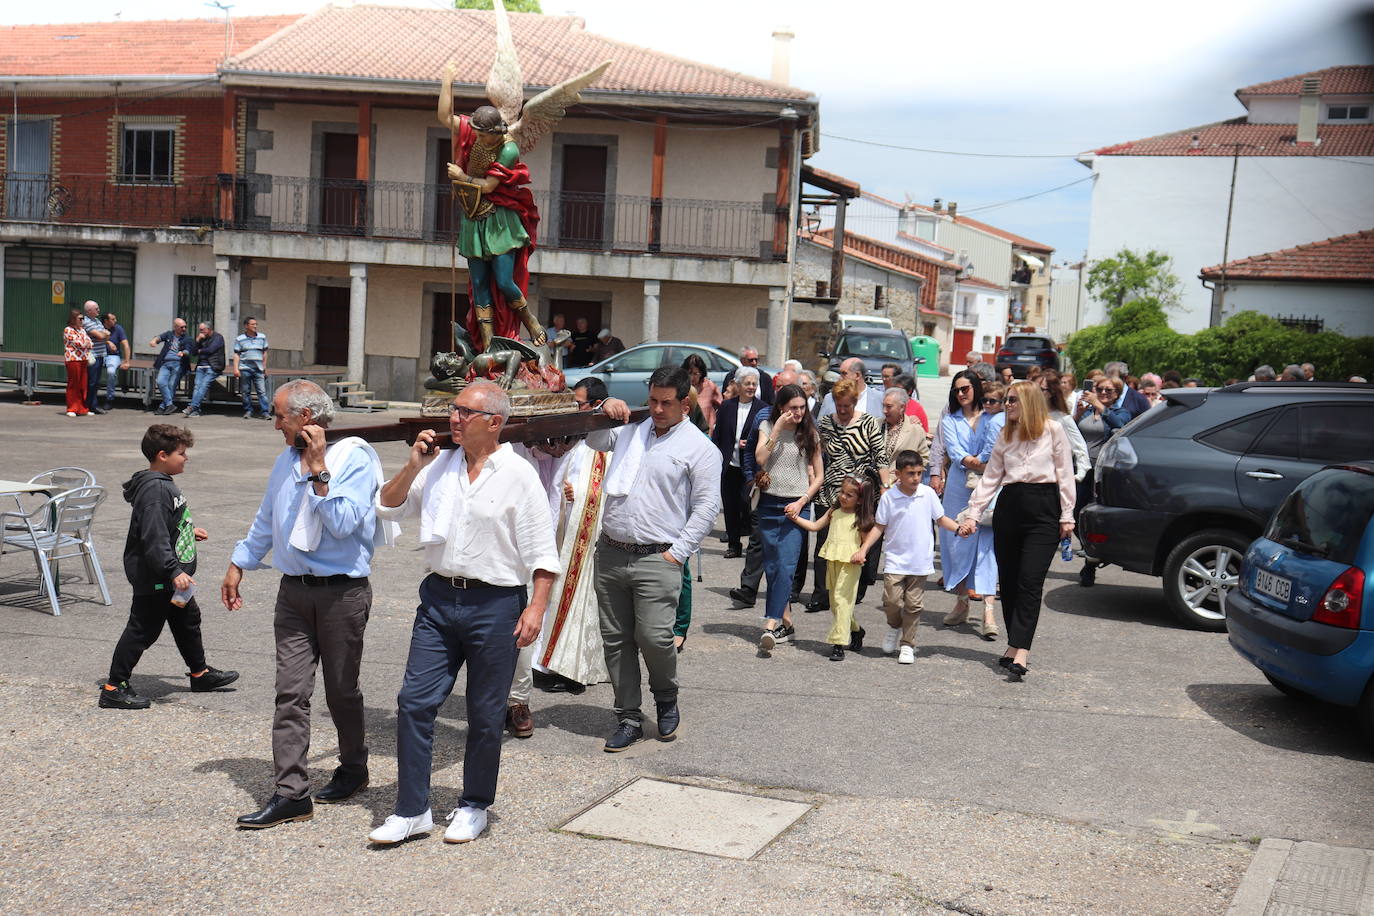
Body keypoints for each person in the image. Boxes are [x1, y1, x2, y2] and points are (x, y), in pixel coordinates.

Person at [366, 380, 559, 846]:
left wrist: (536, 608)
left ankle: (474, 804)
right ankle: (412, 809)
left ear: (494, 423)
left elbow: (542, 553)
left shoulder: (519, 473)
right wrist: (414, 465)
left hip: (495, 604)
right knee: (414, 702)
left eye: (465, 413)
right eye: (453, 410)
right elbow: (387, 506)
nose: (454, 418)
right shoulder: (439, 466)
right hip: (438, 599)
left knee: (486, 712)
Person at [223, 380, 390, 829]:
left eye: (280, 416)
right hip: (293, 592)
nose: (274, 423)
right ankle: (291, 793)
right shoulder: (283, 460)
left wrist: (318, 467)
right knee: (290, 693)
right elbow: (269, 516)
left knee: (341, 690)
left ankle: (354, 767)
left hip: (342, 594)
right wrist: (241, 560)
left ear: (307, 418)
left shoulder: (352, 458)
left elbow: (342, 523)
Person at [587, 367, 722, 752]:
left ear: (685, 403)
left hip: (657, 558)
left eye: (666, 403)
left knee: (655, 637)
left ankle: (665, 696)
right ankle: (628, 717)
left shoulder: (700, 448)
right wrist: (604, 407)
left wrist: (676, 555)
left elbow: (707, 508)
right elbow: (594, 439)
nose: (658, 409)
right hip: (612, 551)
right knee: (615, 640)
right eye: (653, 401)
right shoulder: (631, 430)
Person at [99, 425, 239, 709]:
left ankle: (200, 675)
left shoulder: (162, 484)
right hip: (157, 576)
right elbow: (152, 536)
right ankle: (114, 687)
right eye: (181, 453)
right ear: (162, 455)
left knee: (187, 620)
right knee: (143, 629)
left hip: (169, 575)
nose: (186, 458)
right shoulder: (155, 490)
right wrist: (173, 570)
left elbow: (165, 526)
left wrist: (186, 530)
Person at [959, 381, 1074, 680]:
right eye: (1006, 400)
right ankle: (1013, 644)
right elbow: (991, 477)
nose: (1006, 404)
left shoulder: (1053, 430)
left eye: (1012, 400)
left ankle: (1022, 650)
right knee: (1008, 581)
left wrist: (1067, 515)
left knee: (1029, 580)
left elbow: (1065, 473)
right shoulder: (1005, 434)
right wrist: (974, 513)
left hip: (1044, 508)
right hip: (1010, 507)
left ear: (1029, 402)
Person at [438, 65, 544, 349]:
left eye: (483, 135)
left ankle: (530, 321)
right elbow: (444, 116)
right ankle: (486, 347)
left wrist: (462, 177)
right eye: (476, 133)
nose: (477, 138)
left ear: (495, 132)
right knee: (479, 286)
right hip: (473, 220)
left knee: (504, 280)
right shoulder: (475, 134)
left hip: (499, 221)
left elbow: (488, 187)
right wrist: (447, 81)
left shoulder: (508, 148)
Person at [856, 450, 959, 664]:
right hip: (895, 559)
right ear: (898, 474)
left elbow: (941, 520)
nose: (915, 478)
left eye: (919, 473)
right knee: (891, 601)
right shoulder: (890, 497)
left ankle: (907, 644)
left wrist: (959, 529)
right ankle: (894, 626)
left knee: (914, 606)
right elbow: (879, 527)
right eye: (910, 473)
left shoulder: (928, 494)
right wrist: (863, 549)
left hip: (920, 561)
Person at [751, 383, 823, 647]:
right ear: (781, 407)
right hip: (769, 503)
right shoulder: (768, 427)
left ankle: (770, 624)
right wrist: (779, 428)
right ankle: (788, 623)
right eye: (793, 408)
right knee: (771, 567)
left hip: (796, 506)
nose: (799, 412)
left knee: (786, 565)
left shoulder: (810, 433)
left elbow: (819, 476)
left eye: (803, 407)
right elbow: (760, 458)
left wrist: (803, 500)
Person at [806, 378, 884, 613]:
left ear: (855, 401)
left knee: (857, 541)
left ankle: (853, 590)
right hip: (830, 490)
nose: (841, 410)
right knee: (824, 543)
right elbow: (815, 455)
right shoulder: (826, 424)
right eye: (838, 405)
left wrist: (887, 486)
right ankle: (821, 594)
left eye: (846, 406)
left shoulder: (869, 423)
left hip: (859, 493)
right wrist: (812, 474)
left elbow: (881, 457)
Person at [788, 473, 878, 661]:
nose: (843, 497)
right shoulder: (833, 512)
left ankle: (838, 644)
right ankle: (856, 630)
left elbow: (865, 542)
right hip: (833, 560)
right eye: (842, 492)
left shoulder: (859, 518)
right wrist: (795, 518)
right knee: (836, 604)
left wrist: (861, 553)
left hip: (850, 564)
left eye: (849, 495)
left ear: (860, 500)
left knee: (841, 600)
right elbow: (814, 526)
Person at [943, 378, 1001, 638]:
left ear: (976, 388)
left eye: (965, 388)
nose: (961, 393)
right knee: (959, 543)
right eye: (956, 390)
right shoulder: (949, 420)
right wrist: (986, 466)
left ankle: (989, 610)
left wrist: (992, 470)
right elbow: (956, 454)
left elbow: (1001, 447)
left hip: (990, 487)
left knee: (987, 546)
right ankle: (962, 602)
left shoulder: (993, 417)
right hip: (958, 487)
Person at [710, 367, 765, 558]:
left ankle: (752, 542)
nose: (751, 387)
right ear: (738, 385)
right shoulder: (726, 407)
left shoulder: (763, 408)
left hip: (750, 466)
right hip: (729, 465)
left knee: (746, 503)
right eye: (747, 383)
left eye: (754, 384)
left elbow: (767, 438)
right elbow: (717, 436)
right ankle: (733, 544)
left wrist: (751, 443)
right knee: (730, 505)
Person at [879, 388, 929, 489]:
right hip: (875, 484)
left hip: (900, 486)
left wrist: (908, 475)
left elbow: (924, 458)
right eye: (883, 406)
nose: (884, 411)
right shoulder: (875, 425)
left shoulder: (915, 430)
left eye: (889, 407)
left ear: (902, 407)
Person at [183, 322, 226, 417]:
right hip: (200, 366)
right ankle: (195, 411)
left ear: (209, 329)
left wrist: (200, 351)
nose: (201, 332)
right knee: (197, 387)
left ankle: (192, 407)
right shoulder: (201, 338)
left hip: (213, 366)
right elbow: (193, 352)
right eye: (200, 330)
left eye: (202, 330)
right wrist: (197, 341)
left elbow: (211, 350)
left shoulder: (218, 337)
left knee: (203, 385)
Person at [817, 357, 884, 418]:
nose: (840, 378)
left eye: (844, 373)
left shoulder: (880, 399)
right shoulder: (829, 398)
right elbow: (820, 427)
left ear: (857, 375)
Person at [149, 318, 191, 416]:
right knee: (160, 382)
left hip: (178, 364)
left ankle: (162, 407)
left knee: (171, 385)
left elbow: (188, 349)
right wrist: (154, 341)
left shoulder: (187, 338)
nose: (184, 329)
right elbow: (159, 337)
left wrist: (183, 352)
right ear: (175, 327)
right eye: (181, 327)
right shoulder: (169, 334)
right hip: (165, 363)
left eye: (185, 327)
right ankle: (169, 405)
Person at [232, 316, 271, 420]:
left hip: (259, 369)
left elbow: (265, 353)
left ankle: (265, 412)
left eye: (256, 324)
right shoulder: (240, 339)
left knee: (261, 391)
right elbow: (236, 354)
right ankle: (248, 410)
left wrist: (264, 367)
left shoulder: (262, 337)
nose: (255, 326)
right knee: (246, 391)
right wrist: (235, 369)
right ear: (246, 326)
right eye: (252, 324)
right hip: (245, 368)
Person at [81, 300, 111, 414]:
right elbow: (100, 336)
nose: (99, 310)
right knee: (91, 381)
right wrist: (104, 334)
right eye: (96, 308)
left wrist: (104, 335)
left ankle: (92, 404)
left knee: (96, 381)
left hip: (100, 354)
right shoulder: (86, 321)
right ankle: (89, 406)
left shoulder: (97, 321)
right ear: (89, 311)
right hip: (92, 356)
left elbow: (106, 336)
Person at [62, 309, 93, 418]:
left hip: (83, 359)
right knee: (73, 384)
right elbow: (79, 343)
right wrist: (86, 344)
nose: (82, 320)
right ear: (73, 319)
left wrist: (86, 344)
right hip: (73, 359)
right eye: (80, 318)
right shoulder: (68, 330)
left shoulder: (82, 330)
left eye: (83, 318)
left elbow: (90, 342)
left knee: (83, 385)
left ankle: (82, 408)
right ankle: (71, 408)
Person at [682, 352, 722, 434]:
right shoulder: (681, 387)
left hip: (706, 433)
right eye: (689, 373)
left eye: (695, 374)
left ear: (701, 373)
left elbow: (722, 406)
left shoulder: (709, 386)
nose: (692, 377)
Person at [98, 312, 131, 411]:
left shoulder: (118, 329)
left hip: (113, 356)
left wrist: (127, 361)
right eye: (113, 319)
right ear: (106, 321)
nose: (115, 321)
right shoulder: (98, 327)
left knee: (111, 372)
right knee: (90, 370)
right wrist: (108, 341)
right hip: (98, 354)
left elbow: (125, 345)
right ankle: (89, 397)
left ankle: (110, 398)